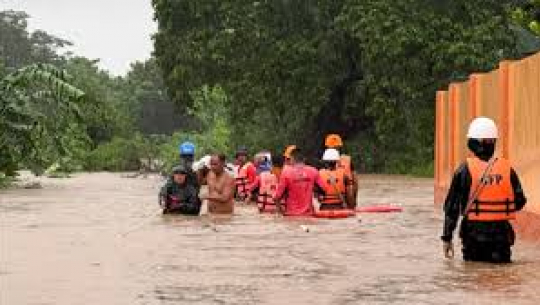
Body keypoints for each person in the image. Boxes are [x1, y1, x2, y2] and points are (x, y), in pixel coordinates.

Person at [441, 117, 527, 263]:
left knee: (474, 278)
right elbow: (520, 201)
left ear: (473, 143)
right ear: (493, 142)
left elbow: (452, 209)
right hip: (501, 238)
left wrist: (447, 238)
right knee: (500, 280)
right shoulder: (507, 169)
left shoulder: (463, 171)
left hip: (473, 237)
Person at [273, 147, 323, 216]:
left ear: (292, 159)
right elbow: (324, 190)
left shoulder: (286, 173)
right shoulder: (313, 171)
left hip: (291, 216)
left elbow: (276, 197)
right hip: (309, 215)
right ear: (304, 159)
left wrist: (281, 212)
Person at [325, 134, 358, 208]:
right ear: (339, 147)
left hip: (328, 203)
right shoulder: (348, 159)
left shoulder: (325, 163)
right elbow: (355, 183)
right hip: (346, 199)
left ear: (327, 147)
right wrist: (353, 203)